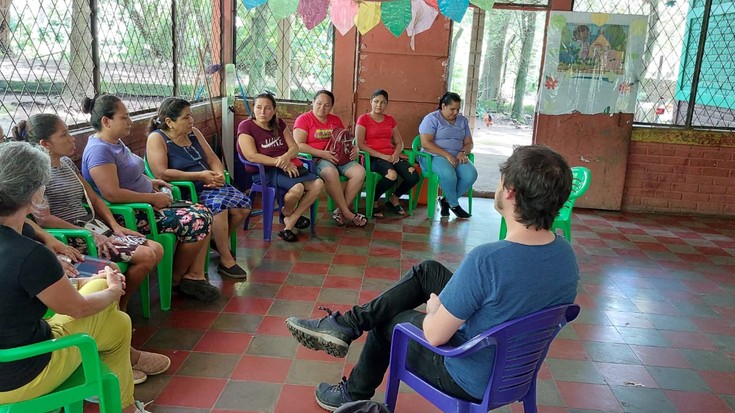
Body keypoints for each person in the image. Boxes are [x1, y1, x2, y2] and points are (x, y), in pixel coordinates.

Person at [285, 145, 579, 411]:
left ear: (510, 192)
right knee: (429, 271)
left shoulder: (488, 260)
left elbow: (436, 335)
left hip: (466, 374)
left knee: (391, 322)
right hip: (515, 370)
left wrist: (437, 310)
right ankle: (347, 324)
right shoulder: (566, 255)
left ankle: (353, 390)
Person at [0, 141, 160, 412]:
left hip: (12, 357)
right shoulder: (31, 254)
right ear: (36, 194)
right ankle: (121, 403)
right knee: (107, 301)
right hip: (21, 374)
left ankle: (124, 404)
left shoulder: (25, 246)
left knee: (119, 323)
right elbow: (78, 308)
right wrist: (112, 291)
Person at [12, 114, 164, 312]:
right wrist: (91, 234)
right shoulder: (40, 174)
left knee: (157, 249)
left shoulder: (66, 163)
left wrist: (115, 226)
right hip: (74, 235)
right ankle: (120, 307)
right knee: (145, 255)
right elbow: (44, 218)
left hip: (93, 226)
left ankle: (118, 304)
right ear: (45, 143)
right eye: (64, 135)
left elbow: (94, 198)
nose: (72, 138)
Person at [80, 94, 219, 303]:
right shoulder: (100, 150)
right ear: (106, 121)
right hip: (132, 213)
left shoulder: (115, 143)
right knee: (197, 219)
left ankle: (192, 276)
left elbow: (131, 174)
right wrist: (151, 199)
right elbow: (112, 194)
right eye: (124, 117)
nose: (130, 122)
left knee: (203, 212)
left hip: (147, 203)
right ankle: (176, 279)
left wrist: (151, 183)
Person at [146, 97, 251, 278]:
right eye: (186, 117)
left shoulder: (193, 132)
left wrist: (218, 175)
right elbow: (161, 173)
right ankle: (226, 260)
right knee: (219, 209)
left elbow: (212, 159)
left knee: (243, 206)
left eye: (191, 116)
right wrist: (200, 176)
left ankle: (216, 242)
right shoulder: (157, 138)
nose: (191, 121)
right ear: (170, 122)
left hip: (208, 183)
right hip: (188, 188)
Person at [237, 92, 324, 242]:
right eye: (258, 108)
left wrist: (285, 158)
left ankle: (290, 219)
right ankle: (290, 218)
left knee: (318, 184)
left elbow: (294, 148)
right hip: (265, 171)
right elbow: (252, 156)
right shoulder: (246, 126)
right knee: (298, 188)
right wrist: (281, 162)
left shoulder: (278, 123)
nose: (263, 112)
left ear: (274, 110)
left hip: (287, 166)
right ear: (253, 109)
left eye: (267, 108)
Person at [294, 90, 367, 227]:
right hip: (317, 159)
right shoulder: (304, 119)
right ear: (313, 103)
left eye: (327, 105)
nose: (322, 108)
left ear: (331, 106)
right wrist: (322, 154)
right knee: (330, 172)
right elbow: (298, 145)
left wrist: (355, 148)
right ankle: (347, 213)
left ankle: (340, 211)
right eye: (319, 104)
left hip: (340, 157)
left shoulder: (335, 119)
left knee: (360, 172)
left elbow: (345, 139)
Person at [356, 89, 419, 218]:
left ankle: (394, 198)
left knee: (413, 176)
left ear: (387, 104)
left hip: (391, 156)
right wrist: (382, 156)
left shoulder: (390, 120)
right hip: (373, 157)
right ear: (371, 102)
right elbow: (360, 144)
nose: (379, 105)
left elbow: (399, 142)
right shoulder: (364, 119)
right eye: (376, 101)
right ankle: (374, 201)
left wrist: (396, 153)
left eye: (383, 102)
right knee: (392, 175)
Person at [418, 92, 478, 219]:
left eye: (458, 109)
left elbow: (469, 143)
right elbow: (426, 143)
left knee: (471, 174)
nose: (455, 112)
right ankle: (454, 205)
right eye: (452, 109)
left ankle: (446, 201)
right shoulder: (431, 119)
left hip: (457, 156)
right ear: (443, 106)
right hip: (434, 155)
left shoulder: (462, 121)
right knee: (448, 174)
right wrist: (447, 155)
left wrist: (462, 152)